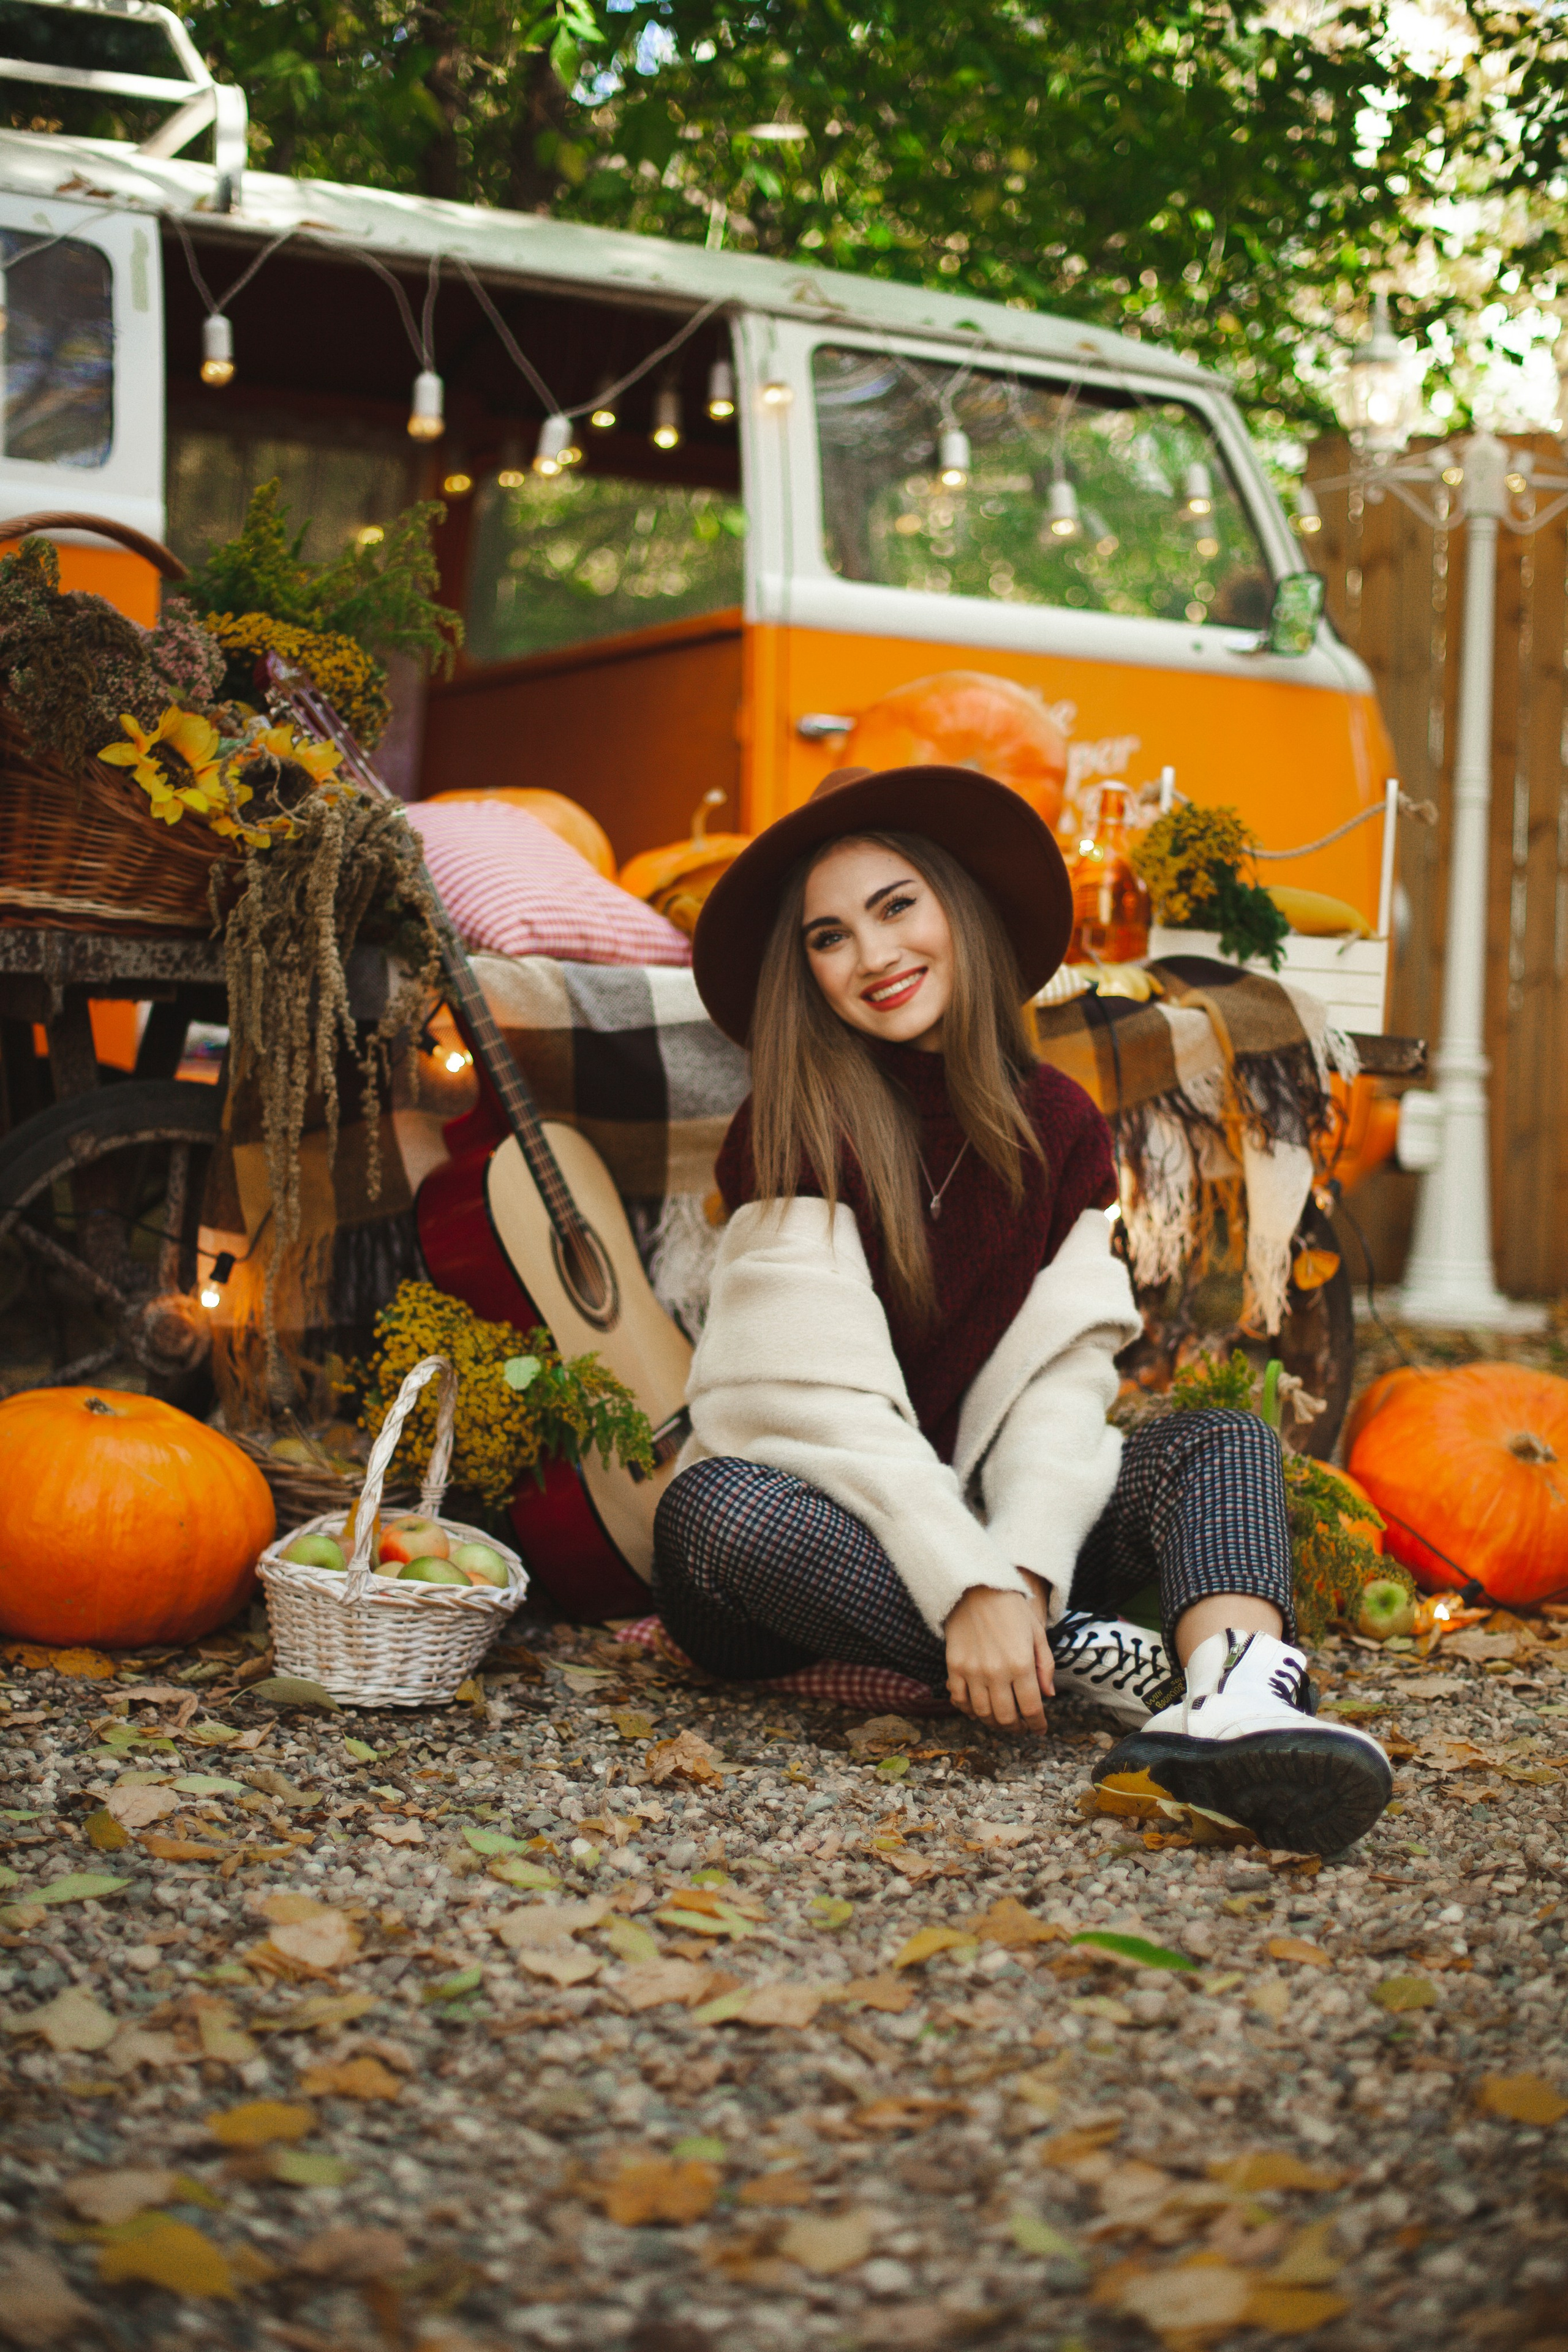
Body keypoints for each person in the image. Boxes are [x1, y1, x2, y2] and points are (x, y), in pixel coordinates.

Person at [652, 763, 1390, 1856]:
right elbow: (811, 1406)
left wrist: (1027, 1567)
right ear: (804, 972)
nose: (875, 956)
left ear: (960, 907)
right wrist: (966, 1588)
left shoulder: (1060, 1122)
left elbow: (1061, 1377)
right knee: (716, 1513)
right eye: (830, 937)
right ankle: (1080, 1657)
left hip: (1003, 1522)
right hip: (826, 1537)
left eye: (897, 906)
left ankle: (1237, 1704)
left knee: (1222, 1440)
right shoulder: (796, 1121)